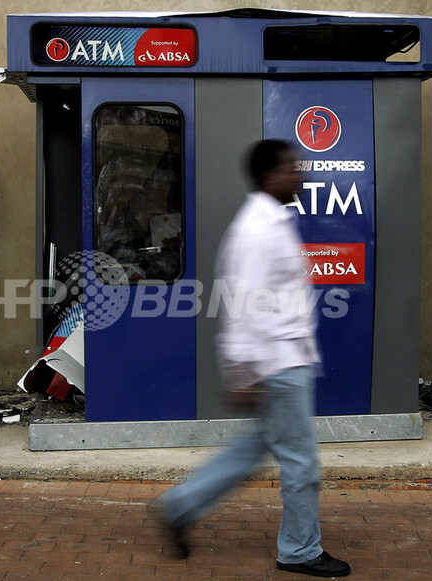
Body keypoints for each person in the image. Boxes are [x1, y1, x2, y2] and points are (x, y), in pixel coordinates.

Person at [154, 139, 350, 578]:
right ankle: (300, 551)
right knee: (301, 462)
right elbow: (243, 306)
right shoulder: (257, 230)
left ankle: (180, 505)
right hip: (278, 365)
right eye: (291, 168)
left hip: (281, 362)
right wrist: (243, 373)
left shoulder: (271, 222)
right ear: (269, 176)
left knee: (252, 449)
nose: (300, 175)